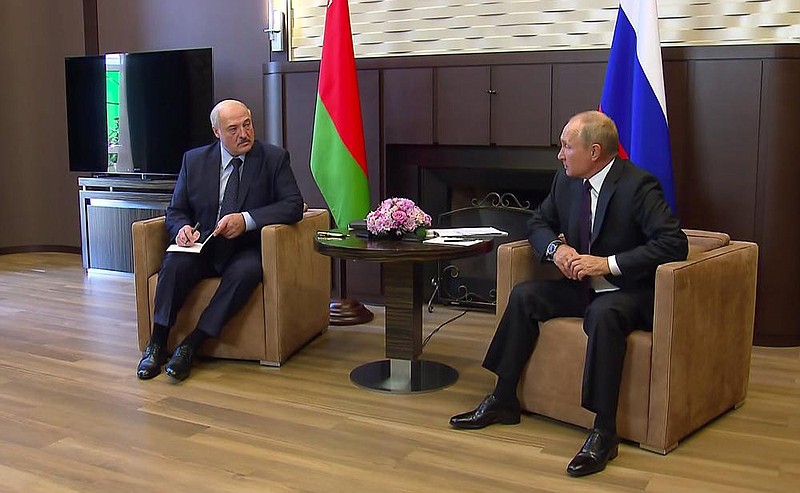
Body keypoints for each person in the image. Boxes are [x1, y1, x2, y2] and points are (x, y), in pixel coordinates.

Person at [449, 110, 688, 477]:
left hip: (629, 291)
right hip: (580, 286)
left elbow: (674, 244)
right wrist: (555, 251)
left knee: (604, 314)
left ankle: (604, 432)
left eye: (566, 146)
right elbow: (539, 223)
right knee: (525, 296)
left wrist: (606, 264)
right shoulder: (566, 181)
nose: (560, 155)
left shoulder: (638, 186)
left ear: (594, 151)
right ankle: (503, 397)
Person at [136, 99, 304, 381]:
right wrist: (182, 228)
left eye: (247, 125)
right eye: (233, 129)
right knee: (174, 263)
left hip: (245, 248)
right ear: (217, 132)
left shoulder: (273, 158)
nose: (244, 134)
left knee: (247, 272)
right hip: (203, 245)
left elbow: (293, 204)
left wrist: (246, 219)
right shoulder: (195, 160)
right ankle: (157, 342)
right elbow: (176, 210)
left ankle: (192, 344)